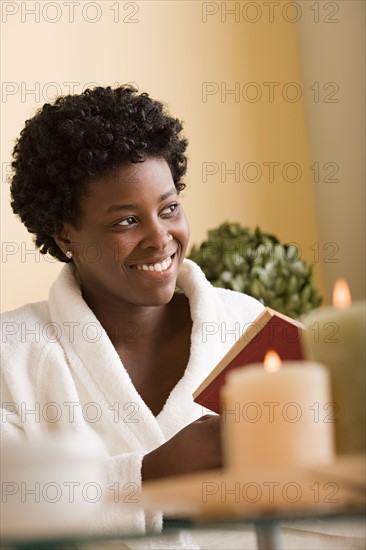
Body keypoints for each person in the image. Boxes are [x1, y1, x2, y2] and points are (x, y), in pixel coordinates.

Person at [1, 86, 264, 535]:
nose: (160, 238)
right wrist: (149, 474)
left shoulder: (248, 327)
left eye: (169, 208)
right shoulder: (13, 353)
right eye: (127, 220)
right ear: (66, 236)